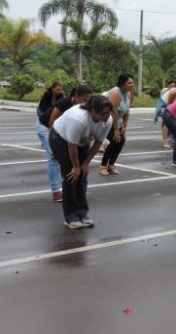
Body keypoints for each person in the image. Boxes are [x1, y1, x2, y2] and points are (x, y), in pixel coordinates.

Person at [49, 95, 113, 230]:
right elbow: (72, 146)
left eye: (109, 112)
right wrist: (76, 167)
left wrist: (85, 164)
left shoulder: (108, 120)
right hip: (60, 138)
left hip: (82, 140)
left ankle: (82, 214)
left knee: (83, 176)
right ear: (93, 111)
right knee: (71, 176)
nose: (107, 116)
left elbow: (98, 143)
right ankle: (71, 216)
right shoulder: (78, 119)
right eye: (103, 113)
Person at [99, 74, 135, 176]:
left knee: (121, 140)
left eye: (132, 82)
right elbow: (113, 112)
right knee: (115, 141)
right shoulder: (115, 93)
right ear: (122, 84)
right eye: (129, 83)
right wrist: (115, 130)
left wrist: (124, 126)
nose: (132, 85)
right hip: (106, 119)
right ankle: (103, 166)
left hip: (117, 120)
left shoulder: (128, 93)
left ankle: (111, 165)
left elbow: (127, 109)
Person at [36, 82, 65, 202]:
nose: (59, 91)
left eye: (61, 90)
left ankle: (63, 189)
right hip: (44, 126)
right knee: (53, 157)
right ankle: (56, 191)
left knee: (58, 157)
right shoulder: (47, 96)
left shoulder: (62, 99)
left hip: (55, 128)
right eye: (57, 89)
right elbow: (41, 112)